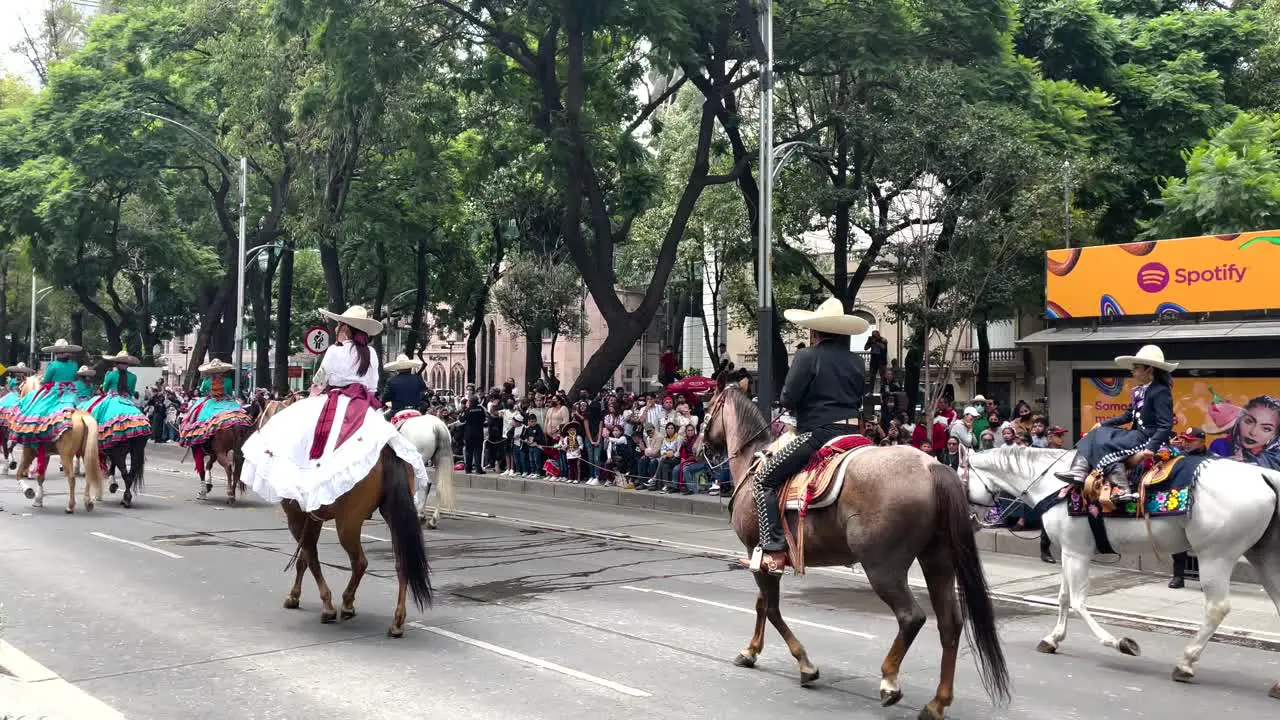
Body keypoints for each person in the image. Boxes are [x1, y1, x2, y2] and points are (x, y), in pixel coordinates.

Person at [240, 305, 428, 511]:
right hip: (364, 405)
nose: (336, 329)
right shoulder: (372, 354)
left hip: (336, 400)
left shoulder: (334, 351)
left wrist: (311, 396)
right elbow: (373, 387)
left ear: (346, 329)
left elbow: (319, 382)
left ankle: (305, 491)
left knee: (301, 434)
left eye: (339, 325)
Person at [747, 297, 867, 575]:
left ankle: (774, 547)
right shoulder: (856, 362)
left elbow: (788, 397)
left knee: (764, 478)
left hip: (819, 434)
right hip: (854, 434)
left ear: (815, 331)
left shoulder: (807, 356)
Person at [1056, 344, 1176, 503]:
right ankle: (1079, 471)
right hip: (1136, 434)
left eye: (1136, 367)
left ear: (1149, 369)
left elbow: (1165, 426)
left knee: (1103, 441)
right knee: (1096, 433)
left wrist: (1151, 447)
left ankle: (1121, 487)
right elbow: (1127, 415)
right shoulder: (1138, 390)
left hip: (1148, 438)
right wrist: (1102, 424)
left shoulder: (1160, 391)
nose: (1132, 370)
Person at [11, 340, 83, 473]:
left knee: (35, 409)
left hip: (55, 392)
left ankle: (35, 436)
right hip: (72, 394)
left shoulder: (52, 365)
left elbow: (46, 381)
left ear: (56, 353)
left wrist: (41, 380)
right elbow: (74, 378)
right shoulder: (74, 365)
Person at [1169, 427, 1213, 589]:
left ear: (1201, 441)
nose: (1186, 443)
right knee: (1177, 543)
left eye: (1190, 440)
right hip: (1182, 506)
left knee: (1205, 546)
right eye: (1184, 440)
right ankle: (1178, 576)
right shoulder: (1178, 457)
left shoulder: (1212, 460)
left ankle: (1206, 580)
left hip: (1205, 508)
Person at [81, 350, 151, 452]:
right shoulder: (133, 377)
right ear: (128, 365)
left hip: (111, 398)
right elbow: (131, 391)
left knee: (95, 412)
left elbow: (105, 389)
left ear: (116, 364)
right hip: (126, 400)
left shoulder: (111, 374)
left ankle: (94, 439)